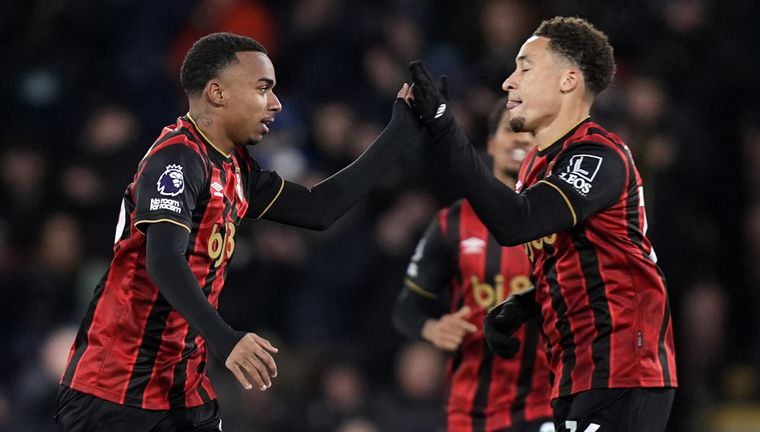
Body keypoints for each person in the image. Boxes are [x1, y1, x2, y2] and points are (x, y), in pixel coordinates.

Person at [55, 32, 422, 431]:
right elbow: (161, 259)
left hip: (183, 390)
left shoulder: (236, 169)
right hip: (116, 390)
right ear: (218, 93)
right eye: (263, 88)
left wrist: (400, 131)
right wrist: (225, 338)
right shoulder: (176, 159)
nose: (276, 104)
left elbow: (320, 208)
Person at [405, 16, 677, 432]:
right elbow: (584, 256)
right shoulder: (536, 165)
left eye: (525, 67)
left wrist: (445, 129)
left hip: (624, 370)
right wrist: (523, 305)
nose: (508, 82)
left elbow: (516, 223)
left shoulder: (598, 156)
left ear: (568, 81)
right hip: (575, 374)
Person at [393, 99, 554, 432]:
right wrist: (431, 330)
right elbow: (408, 308)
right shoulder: (452, 223)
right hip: (470, 410)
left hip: (547, 404)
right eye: (513, 130)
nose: (522, 140)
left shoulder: (562, 220)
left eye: (530, 133)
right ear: (492, 144)